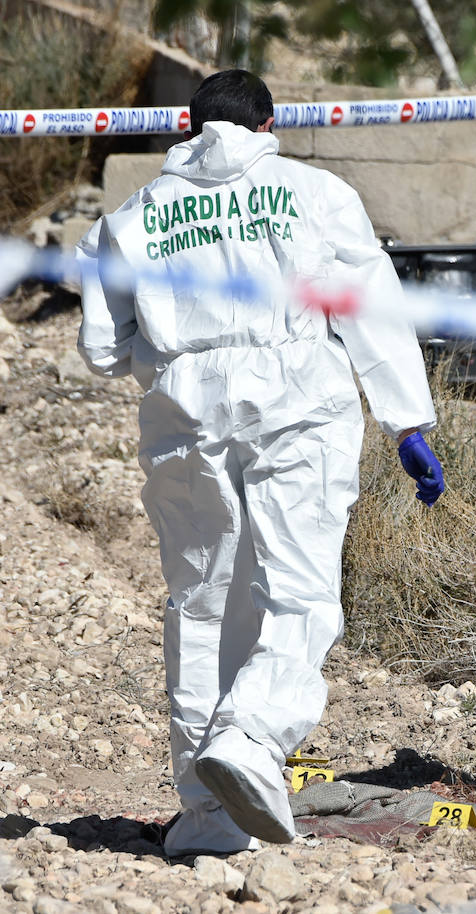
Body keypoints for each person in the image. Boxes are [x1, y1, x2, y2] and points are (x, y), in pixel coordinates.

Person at [75, 69, 445, 855]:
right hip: (295, 396)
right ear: (269, 122)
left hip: (183, 407)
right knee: (301, 591)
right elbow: (369, 306)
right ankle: (252, 736)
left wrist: (176, 351)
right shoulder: (312, 191)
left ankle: (207, 819)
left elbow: (101, 348)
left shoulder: (132, 217)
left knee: (203, 604)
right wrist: (408, 423)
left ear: (188, 124)